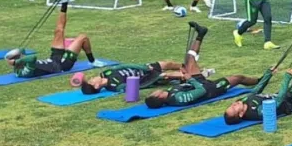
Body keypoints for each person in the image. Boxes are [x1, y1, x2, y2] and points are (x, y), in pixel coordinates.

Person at [223, 28, 292, 124]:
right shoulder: (257, 113)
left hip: (281, 95)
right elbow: (279, 101)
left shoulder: (242, 101)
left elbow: (255, 91)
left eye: (231, 105)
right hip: (290, 102)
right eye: (234, 107)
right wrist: (287, 78)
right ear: (241, 114)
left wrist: (268, 75)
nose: (234, 103)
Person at [145, 27, 263, 109]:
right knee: (238, 78)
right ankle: (259, 81)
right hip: (209, 89)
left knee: (189, 59)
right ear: (158, 96)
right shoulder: (179, 99)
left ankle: (201, 33)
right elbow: (202, 91)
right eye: (152, 93)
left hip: (198, 82)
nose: (153, 91)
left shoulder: (169, 93)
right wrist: (189, 78)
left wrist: (183, 75)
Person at [80, 22, 209, 94]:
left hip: (145, 69)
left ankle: (192, 66)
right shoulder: (115, 87)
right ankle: (198, 74)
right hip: (148, 78)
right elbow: (138, 86)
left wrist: (143, 67)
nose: (92, 78)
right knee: (169, 74)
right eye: (91, 81)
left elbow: (123, 66)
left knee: (167, 63)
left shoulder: (105, 73)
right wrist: (156, 77)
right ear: (96, 86)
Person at [5, 0, 105, 77]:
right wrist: (14, 62)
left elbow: (22, 51)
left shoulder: (20, 64)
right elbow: (32, 58)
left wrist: (17, 53)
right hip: (62, 65)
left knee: (59, 30)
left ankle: (64, 2)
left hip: (54, 59)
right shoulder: (24, 73)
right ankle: (93, 61)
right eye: (18, 58)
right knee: (83, 38)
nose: (21, 56)